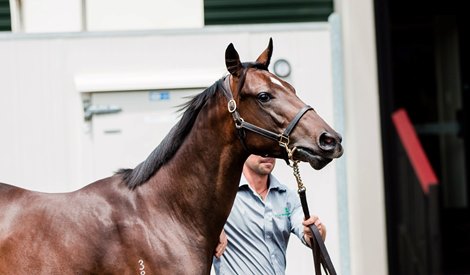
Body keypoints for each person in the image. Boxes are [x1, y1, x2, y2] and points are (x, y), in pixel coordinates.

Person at [213, 154, 326, 275]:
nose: (267, 154)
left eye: (270, 149)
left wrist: (316, 231)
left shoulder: (287, 197)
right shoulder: (221, 194)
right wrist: (213, 227)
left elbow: (307, 232)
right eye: (261, 148)